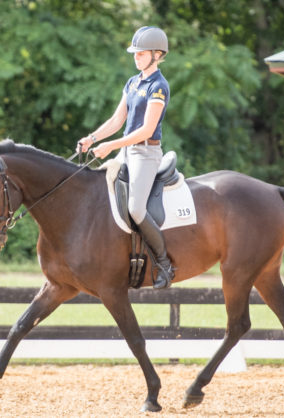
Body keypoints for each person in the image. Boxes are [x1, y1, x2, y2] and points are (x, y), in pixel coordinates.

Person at [76, 26, 174, 289]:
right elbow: (117, 120)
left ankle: (164, 264)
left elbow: (146, 129)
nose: (136, 57)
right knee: (98, 189)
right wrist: (93, 138)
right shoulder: (133, 82)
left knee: (135, 208)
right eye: (135, 53)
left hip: (146, 154)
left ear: (156, 54)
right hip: (127, 150)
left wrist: (110, 146)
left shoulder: (158, 86)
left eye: (141, 54)